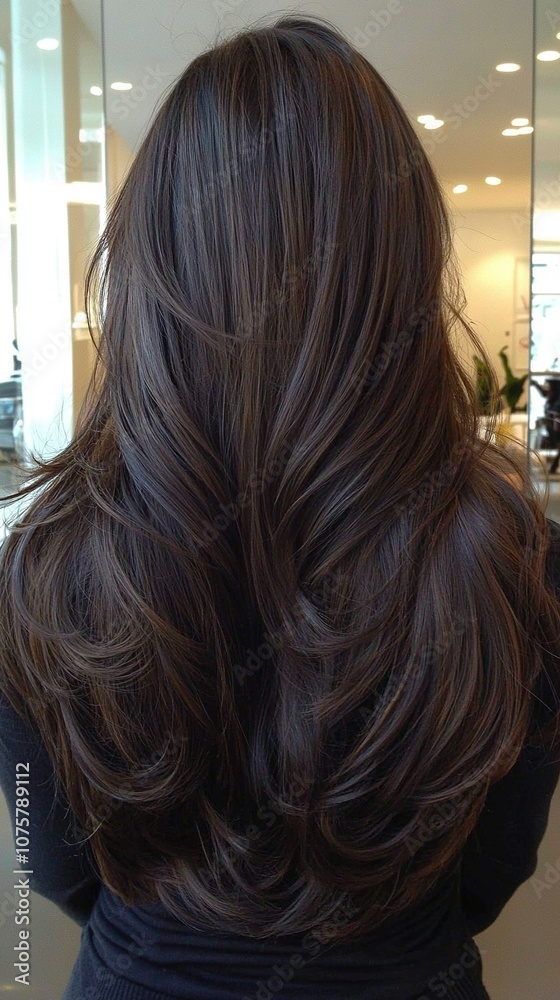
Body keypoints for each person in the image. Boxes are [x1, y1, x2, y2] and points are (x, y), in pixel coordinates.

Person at [1, 14, 560, 1000]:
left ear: (150, 271)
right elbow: (488, 872)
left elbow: (53, 862)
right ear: (401, 267)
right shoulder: (514, 558)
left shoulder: (47, 563)